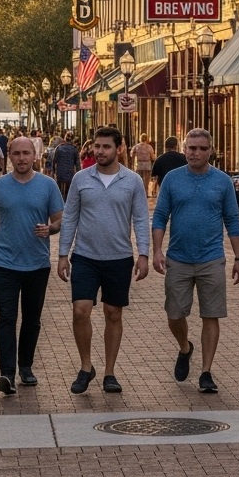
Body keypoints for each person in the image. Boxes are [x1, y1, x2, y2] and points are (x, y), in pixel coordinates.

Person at [58, 126, 150, 394]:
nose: (99, 151)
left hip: (119, 258)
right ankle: (86, 367)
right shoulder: (80, 178)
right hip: (85, 256)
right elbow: (70, 217)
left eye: (106, 147)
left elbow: (142, 219)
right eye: (97, 146)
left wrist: (143, 254)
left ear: (119, 148)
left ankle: (109, 372)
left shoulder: (132, 181)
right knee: (80, 310)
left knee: (113, 313)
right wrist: (63, 254)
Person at [152, 128, 239, 394]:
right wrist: (157, 250)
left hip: (212, 258)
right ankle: (185, 347)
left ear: (211, 151)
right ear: (184, 150)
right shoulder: (172, 179)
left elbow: (233, 220)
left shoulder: (222, 181)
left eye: (202, 148)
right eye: (192, 148)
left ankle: (206, 371)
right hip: (178, 258)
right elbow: (160, 217)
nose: (196, 153)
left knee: (211, 315)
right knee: (174, 313)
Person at [0, 135, 64, 394]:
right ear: (9, 156)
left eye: (26, 153)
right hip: (4, 265)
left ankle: (25, 366)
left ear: (34, 156)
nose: (22, 158)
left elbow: (61, 219)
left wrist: (51, 229)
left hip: (37, 265)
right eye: (16, 154)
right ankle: (7, 374)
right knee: (7, 318)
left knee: (32, 319)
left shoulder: (48, 185)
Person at [52, 132, 82, 200]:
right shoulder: (74, 149)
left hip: (60, 172)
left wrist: (53, 172)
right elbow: (77, 164)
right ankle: (66, 203)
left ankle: (59, 203)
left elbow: (54, 161)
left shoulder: (59, 148)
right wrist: (79, 175)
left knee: (59, 190)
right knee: (68, 192)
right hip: (69, 173)